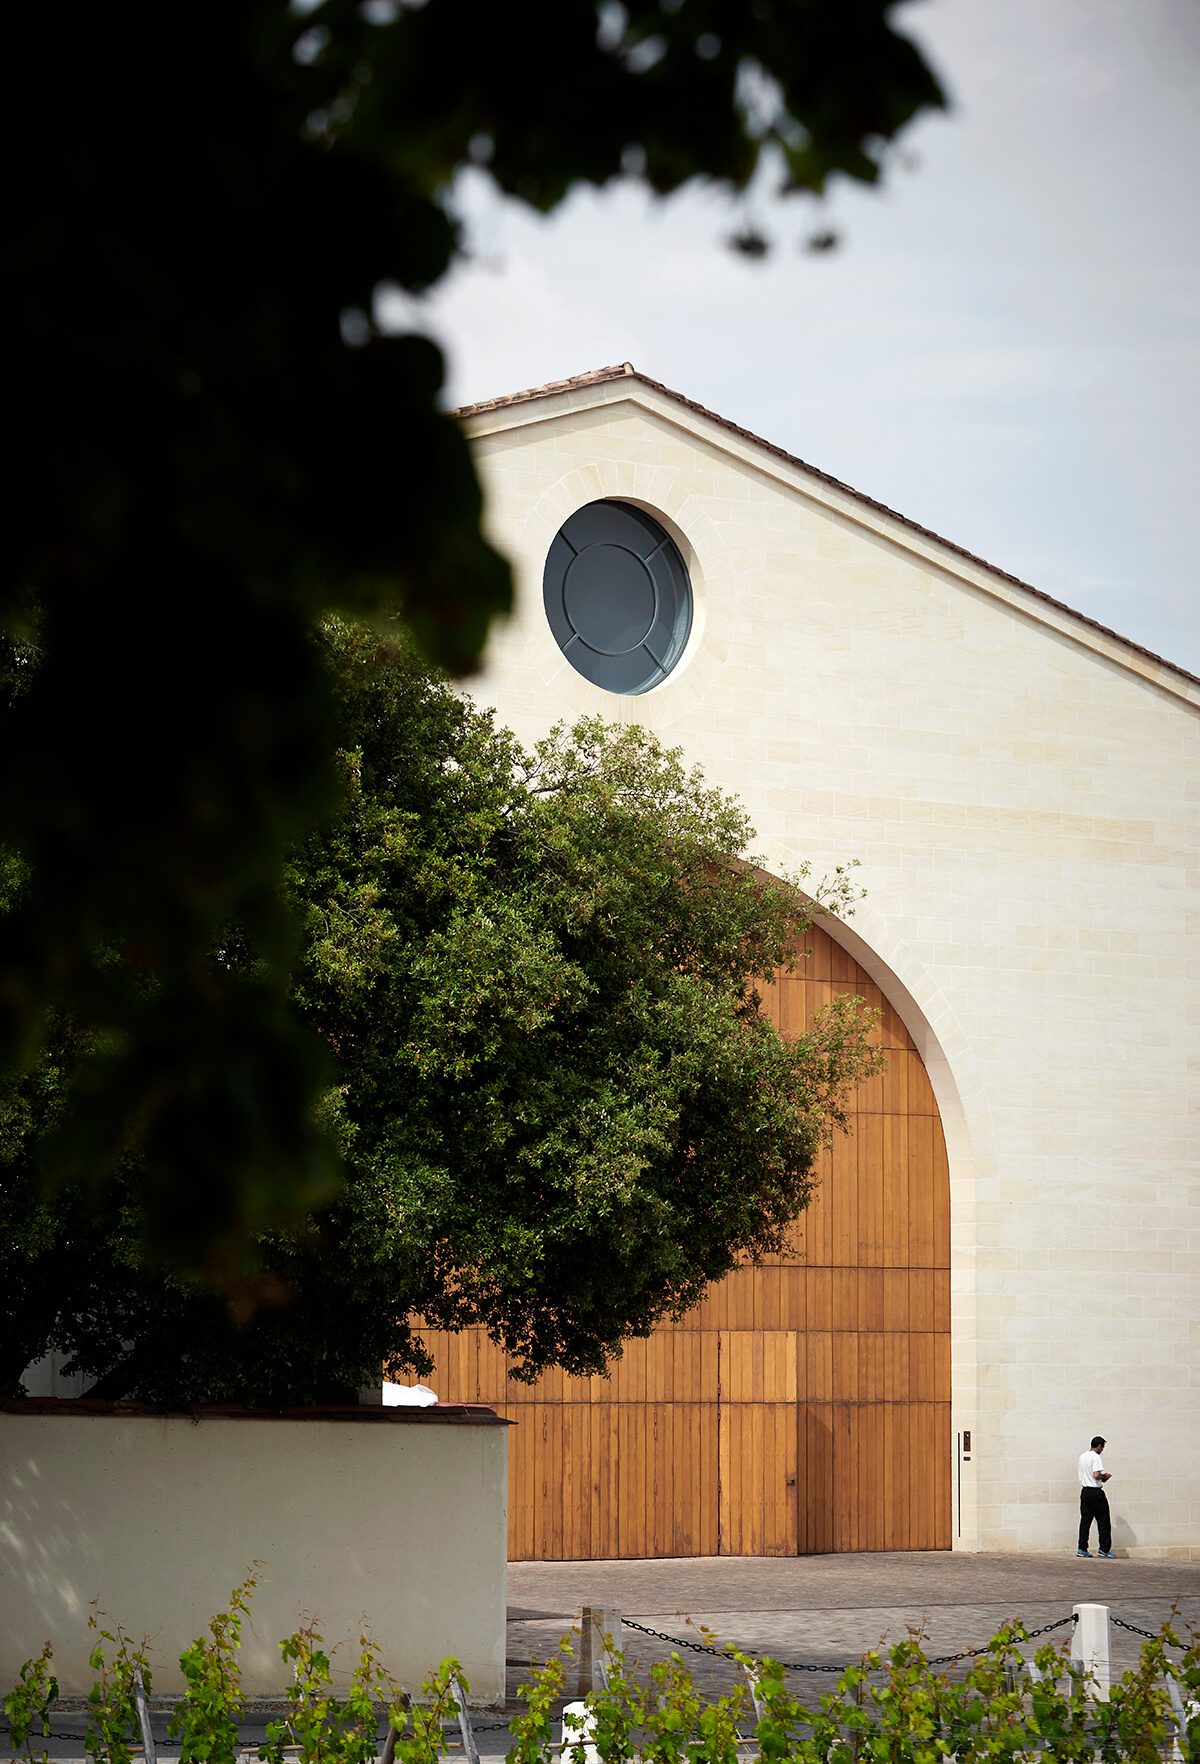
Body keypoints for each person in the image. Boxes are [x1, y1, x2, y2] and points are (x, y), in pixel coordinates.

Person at [1077, 1435, 1114, 1557]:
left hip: (1085, 1491)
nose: (1102, 1450)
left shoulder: (1082, 1456)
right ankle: (1104, 1548)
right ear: (1099, 1446)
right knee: (1103, 1520)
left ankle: (1082, 1548)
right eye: (1102, 1447)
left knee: (1085, 1521)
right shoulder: (1095, 1457)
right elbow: (1096, 1474)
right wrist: (1105, 1476)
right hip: (1095, 1492)